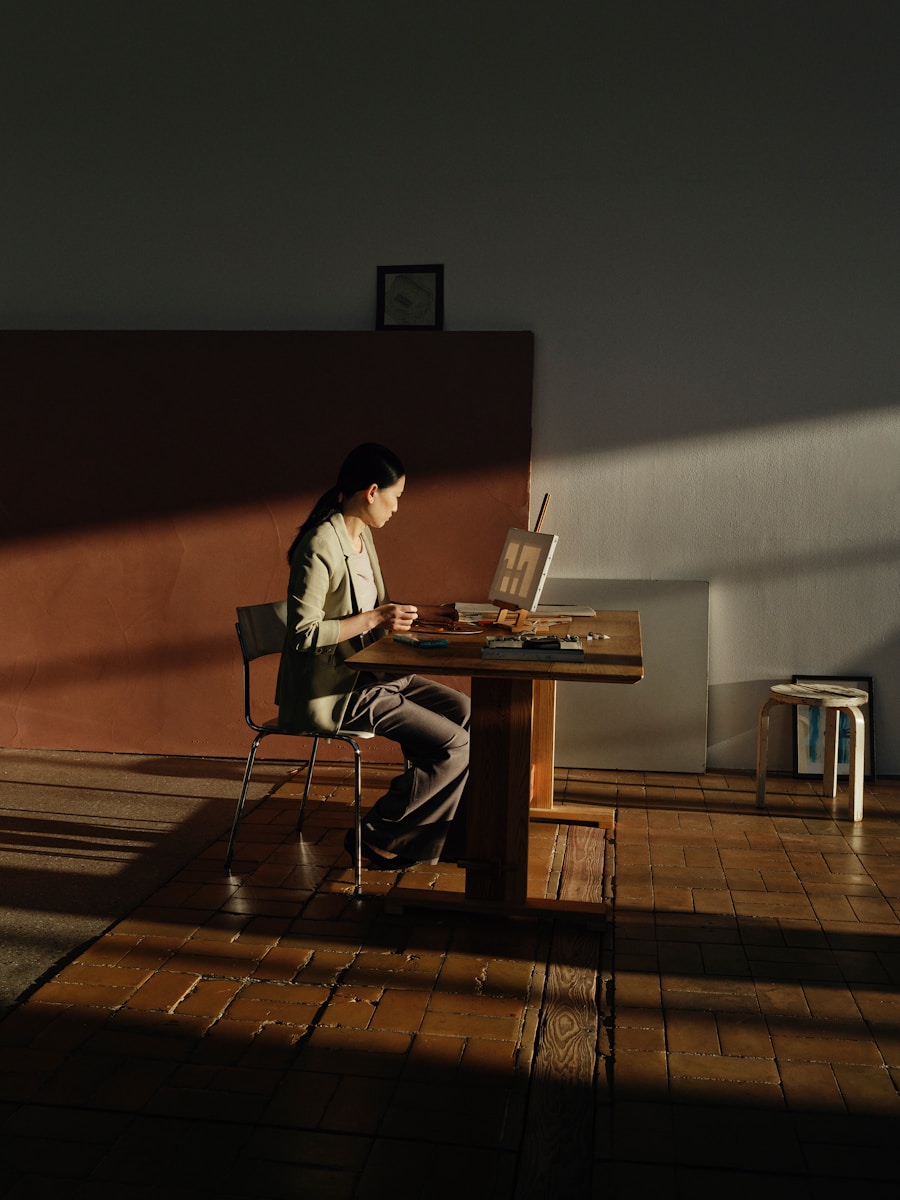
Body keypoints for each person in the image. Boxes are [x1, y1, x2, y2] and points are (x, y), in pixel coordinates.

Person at [276, 443, 469, 868]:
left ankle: (436, 831)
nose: (397, 507)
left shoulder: (360, 538)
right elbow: (303, 634)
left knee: (466, 711)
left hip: (373, 674)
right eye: (395, 497)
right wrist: (376, 617)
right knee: (455, 744)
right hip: (337, 689)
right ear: (371, 491)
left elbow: (376, 610)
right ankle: (379, 834)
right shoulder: (319, 546)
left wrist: (421, 613)